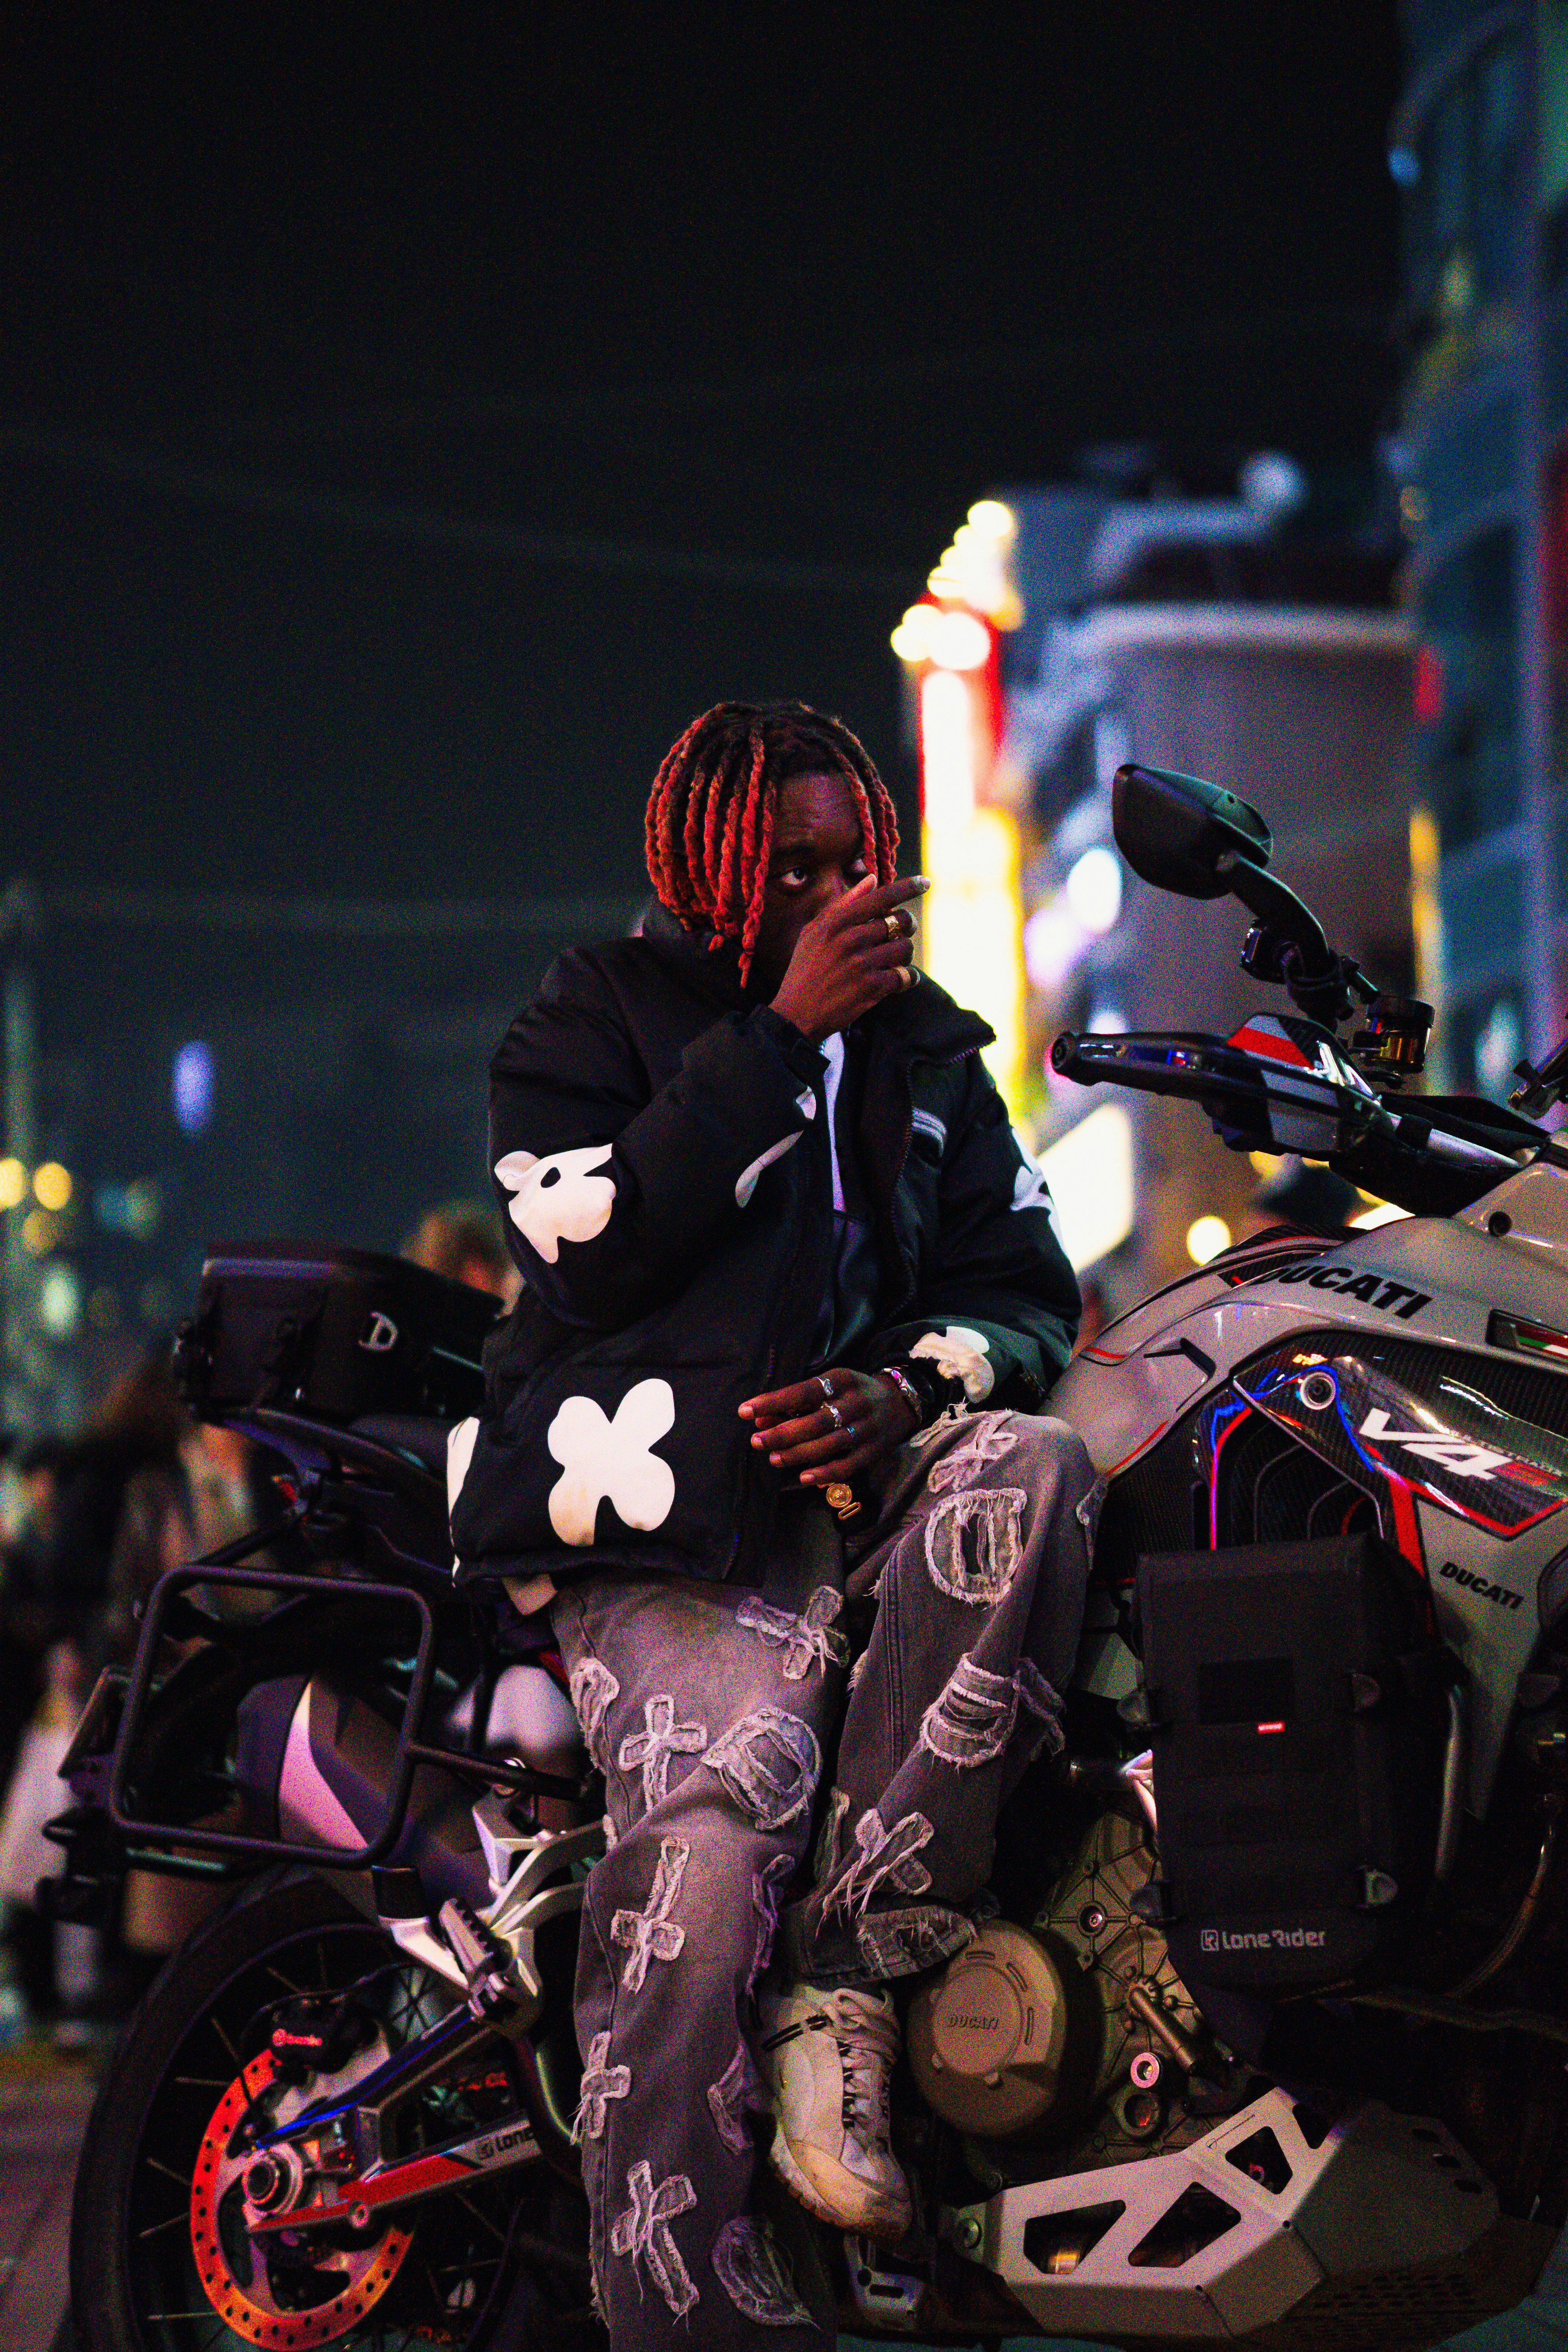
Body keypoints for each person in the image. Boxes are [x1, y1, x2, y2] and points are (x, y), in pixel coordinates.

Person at [450, 701, 1099, 2348]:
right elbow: (589, 1249)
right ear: (703, 865)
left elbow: (1024, 1294)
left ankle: (846, 1976)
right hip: (662, 1521)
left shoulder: (933, 1049)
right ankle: (682, 2314)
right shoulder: (593, 1010)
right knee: (719, 1839)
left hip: (857, 1502)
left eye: (845, 865)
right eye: (782, 866)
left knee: (1033, 1464)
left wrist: (902, 1387)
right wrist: (777, 1040)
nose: (822, 896)